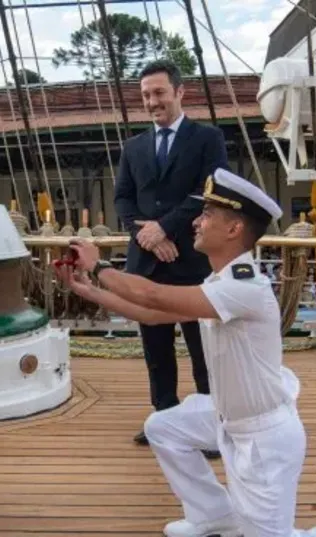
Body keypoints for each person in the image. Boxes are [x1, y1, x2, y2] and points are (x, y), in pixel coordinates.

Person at [56, 168, 316, 537]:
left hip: (264, 436)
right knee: (162, 427)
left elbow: (152, 295)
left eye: (208, 215)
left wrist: (98, 264)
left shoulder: (244, 287)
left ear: (233, 230)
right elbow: (153, 314)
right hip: (226, 416)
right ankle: (213, 516)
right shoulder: (219, 282)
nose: (196, 222)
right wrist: (89, 290)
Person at [113, 59, 229, 451]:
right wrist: (148, 236)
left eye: (159, 92)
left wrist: (166, 227)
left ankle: (212, 425)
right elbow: (123, 200)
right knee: (156, 349)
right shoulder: (133, 147)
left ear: (180, 92)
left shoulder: (207, 138)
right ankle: (163, 419)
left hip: (192, 257)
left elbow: (207, 192)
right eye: (146, 95)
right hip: (147, 262)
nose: (152, 101)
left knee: (204, 349)